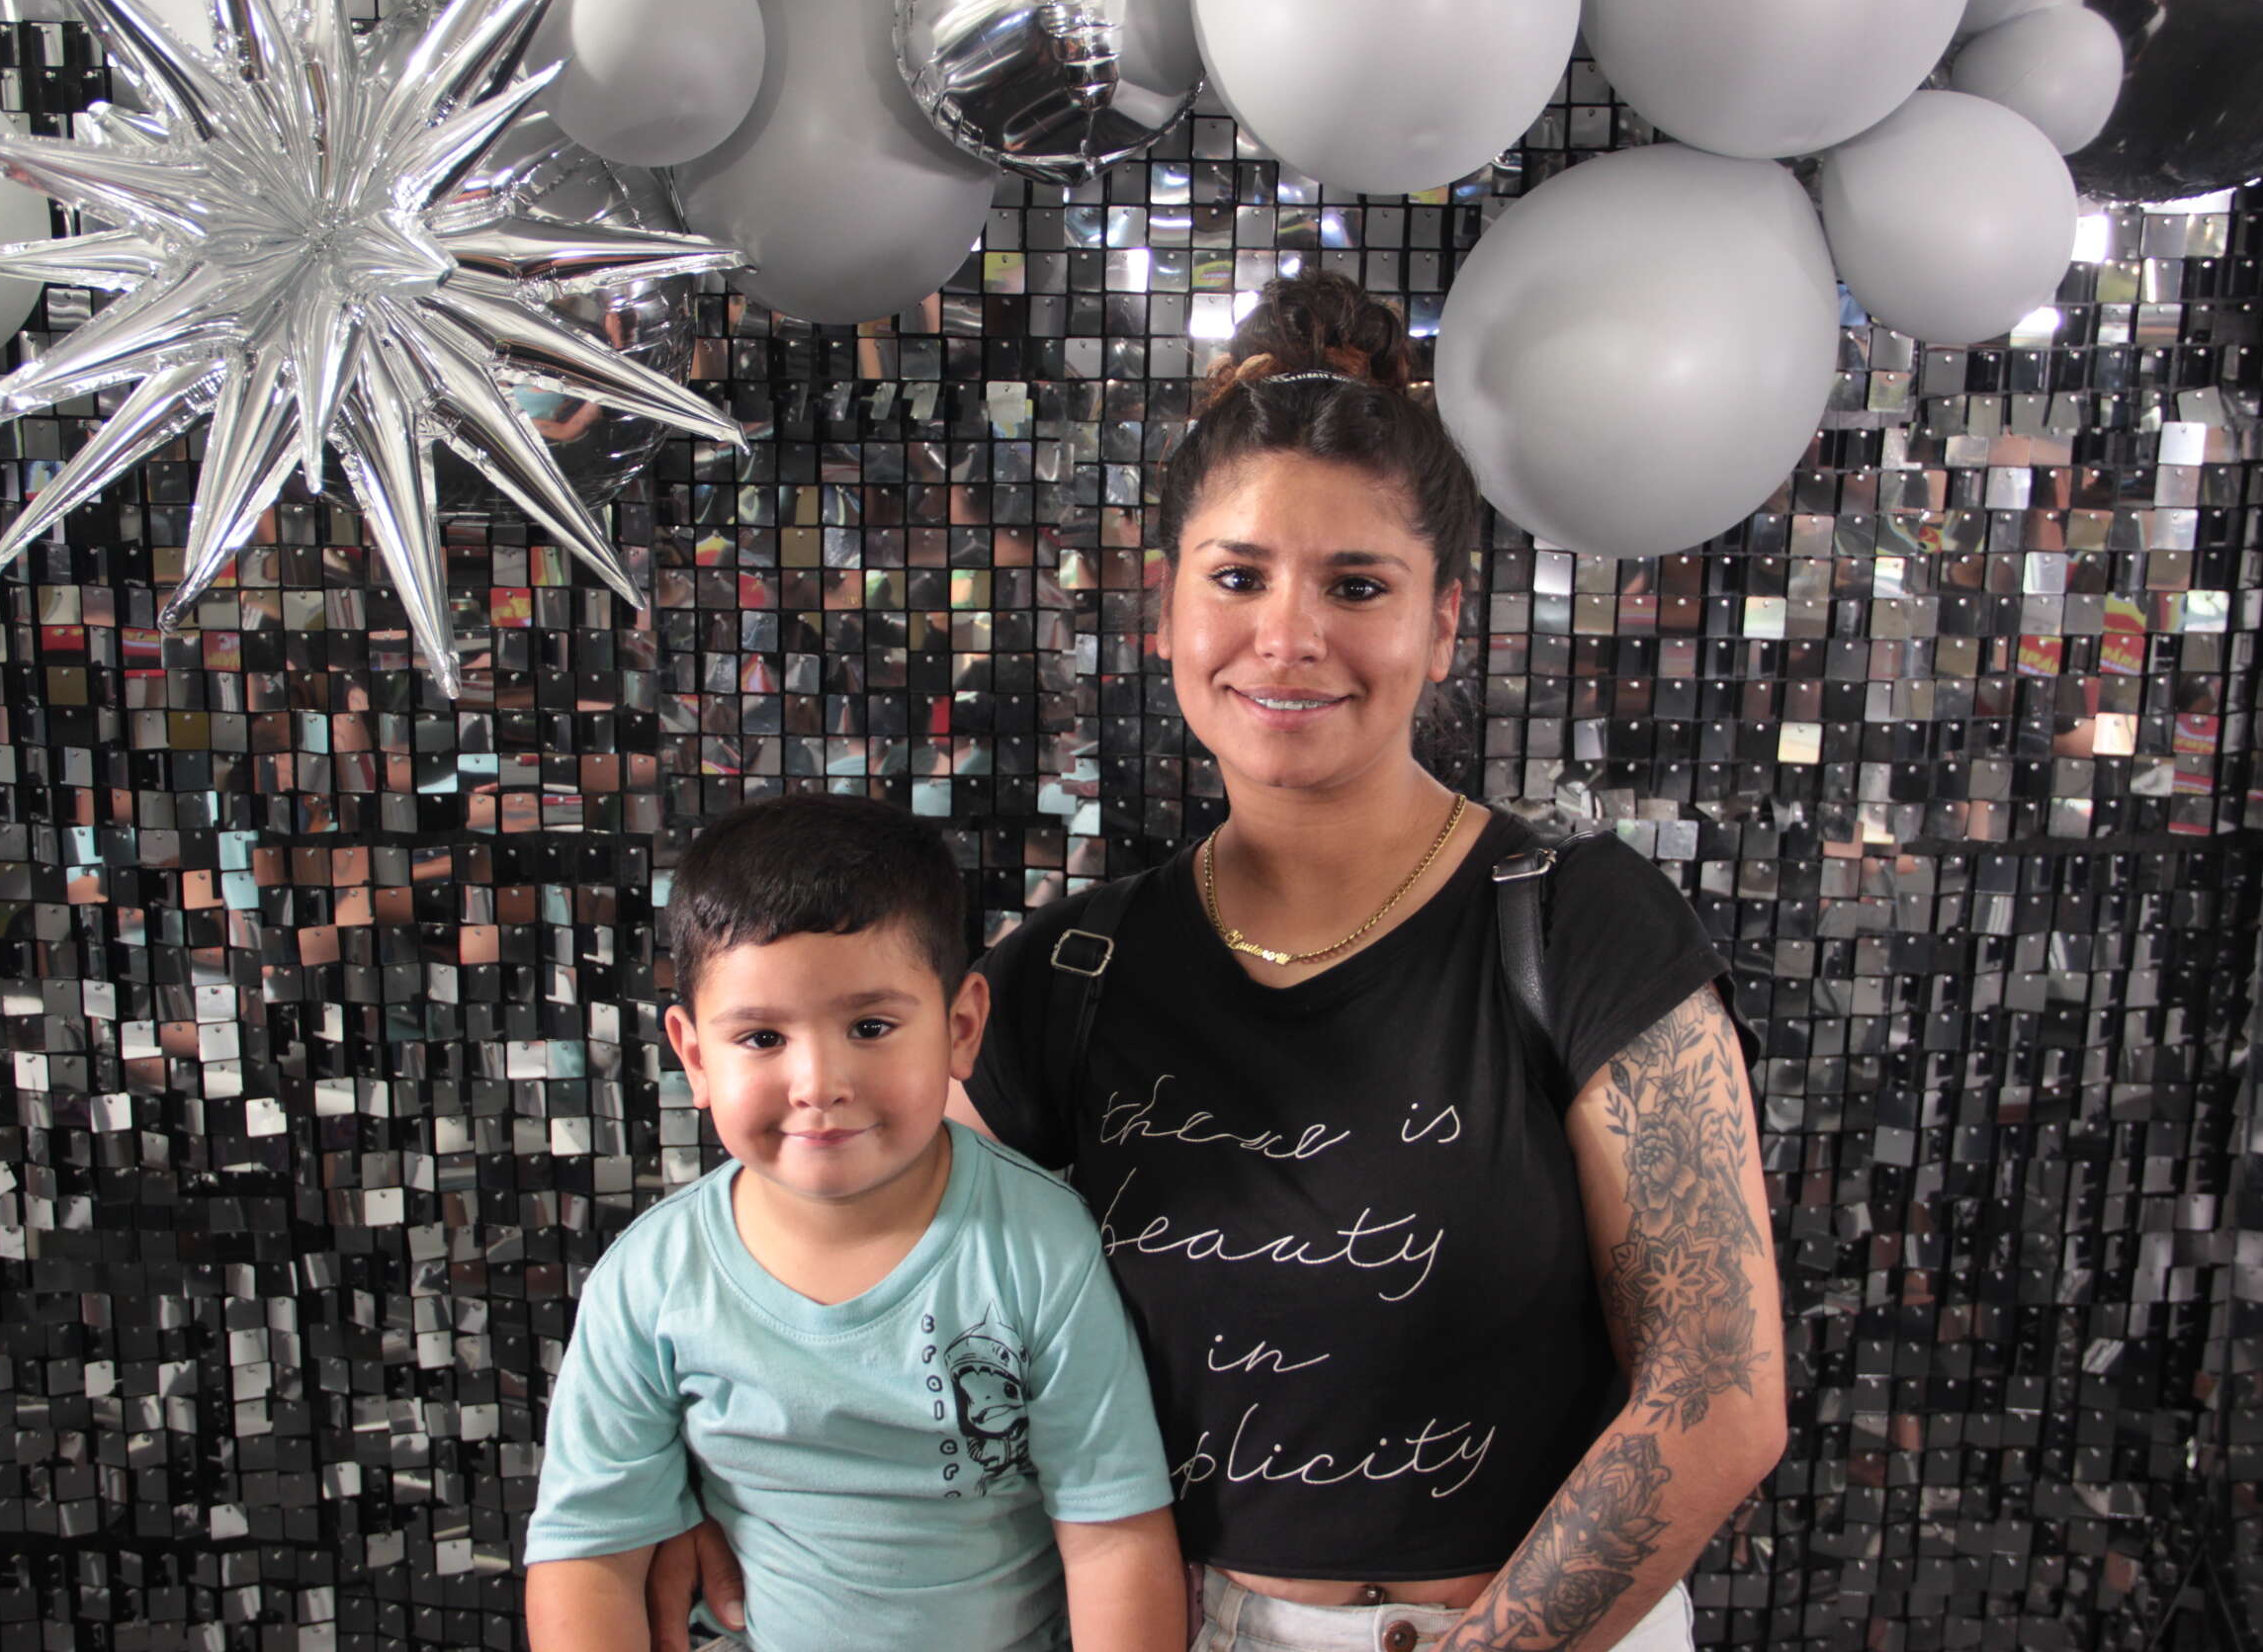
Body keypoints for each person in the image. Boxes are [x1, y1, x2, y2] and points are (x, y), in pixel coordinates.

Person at [643, 270, 1784, 1652]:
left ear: (1443, 623)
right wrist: (687, 1463)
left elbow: (1718, 1393)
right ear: (1168, 610)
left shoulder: (1578, 925)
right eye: (1237, 578)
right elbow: (840, 1223)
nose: (1287, 639)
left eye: (1356, 585)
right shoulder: (1076, 970)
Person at [524, 794, 1186, 1652]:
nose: (819, 1084)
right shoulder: (649, 1281)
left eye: (871, 1027)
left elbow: (1113, 1537)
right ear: (693, 1056)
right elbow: (589, 1556)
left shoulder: (1042, 1249)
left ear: (961, 1028)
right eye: (761, 1039)